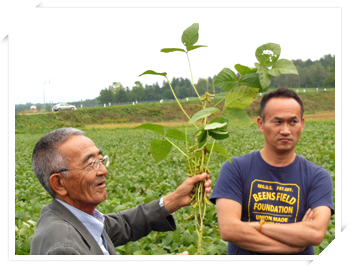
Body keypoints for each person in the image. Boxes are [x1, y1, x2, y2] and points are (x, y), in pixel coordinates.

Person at [30, 127, 212, 255]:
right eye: (91, 164)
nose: (103, 170)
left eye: (101, 160)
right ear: (59, 183)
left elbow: (123, 225)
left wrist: (174, 200)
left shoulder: (73, 218)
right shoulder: (64, 248)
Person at [209, 88, 334, 255]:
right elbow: (229, 229)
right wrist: (291, 244)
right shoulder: (235, 168)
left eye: (293, 122)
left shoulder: (317, 176)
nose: (285, 130)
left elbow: (315, 233)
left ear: (302, 124)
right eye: (277, 122)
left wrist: (256, 225)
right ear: (261, 124)